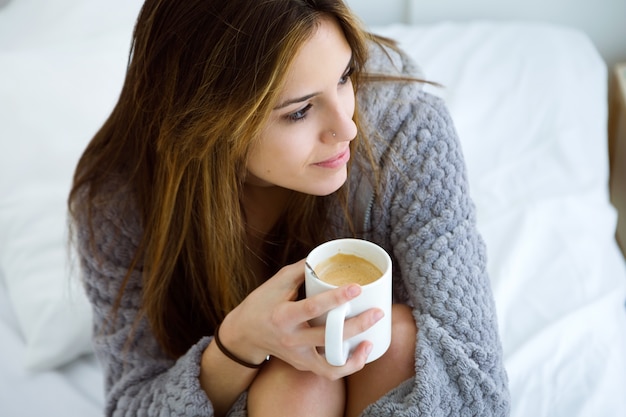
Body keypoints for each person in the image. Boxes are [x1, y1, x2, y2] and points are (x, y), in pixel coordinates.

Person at [68, 0, 510, 416]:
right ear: (208, 120)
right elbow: (133, 405)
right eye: (299, 112)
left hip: (384, 378)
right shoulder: (118, 199)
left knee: (393, 339)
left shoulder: (406, 133)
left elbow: (476, 383)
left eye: (345, 76)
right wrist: (238, 343)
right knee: (299, 384)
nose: (347, 127)